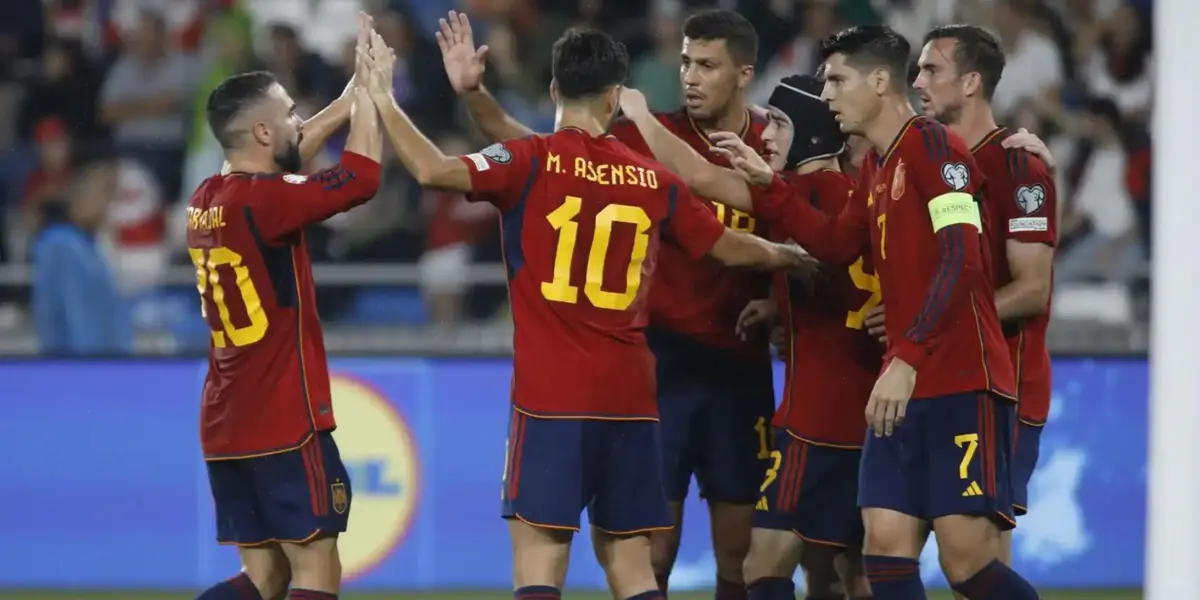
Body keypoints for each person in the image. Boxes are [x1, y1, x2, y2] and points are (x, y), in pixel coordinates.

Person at [364, 25, 814, 600]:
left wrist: (382, 97)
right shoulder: (649, 176)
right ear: (613, 97)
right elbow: (729, 243)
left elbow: (431, 170)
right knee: (630, 564)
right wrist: (792, 256)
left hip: (552, 398)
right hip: (631, 398)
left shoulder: (529, 160)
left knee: (539, 558)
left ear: (553, 89)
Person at [711, 25, 1042, 600]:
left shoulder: (936, 148)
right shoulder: (876, 168)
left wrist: (908, 356)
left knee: (966, 566)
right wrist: (770, 186)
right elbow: (837, 245)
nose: (829, 94)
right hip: (901, 387)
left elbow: (962, 257)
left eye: (838, 79)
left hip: (958, 381)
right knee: (884, 544)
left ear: (880, 81)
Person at [188, 14, 383, 600]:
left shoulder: (207, 199)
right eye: (290, 112)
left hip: (226, 422)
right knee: (316, 570)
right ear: (264, 135)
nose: (300, 117)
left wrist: (349, 94)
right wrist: (373, 98)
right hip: (283, 419)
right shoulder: (267, 203)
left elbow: (290, 158)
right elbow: (361, 178)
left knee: (264, 577)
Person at [908, 24, 1058, 591]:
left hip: (1004, 391)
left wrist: (924, 326)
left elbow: (1031, 290)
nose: (917, 82)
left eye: (931, 70)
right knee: (886, 547)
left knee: (975, 562)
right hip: (940, 378)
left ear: (971, 82)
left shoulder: (1018, 168)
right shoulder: (929, 163)